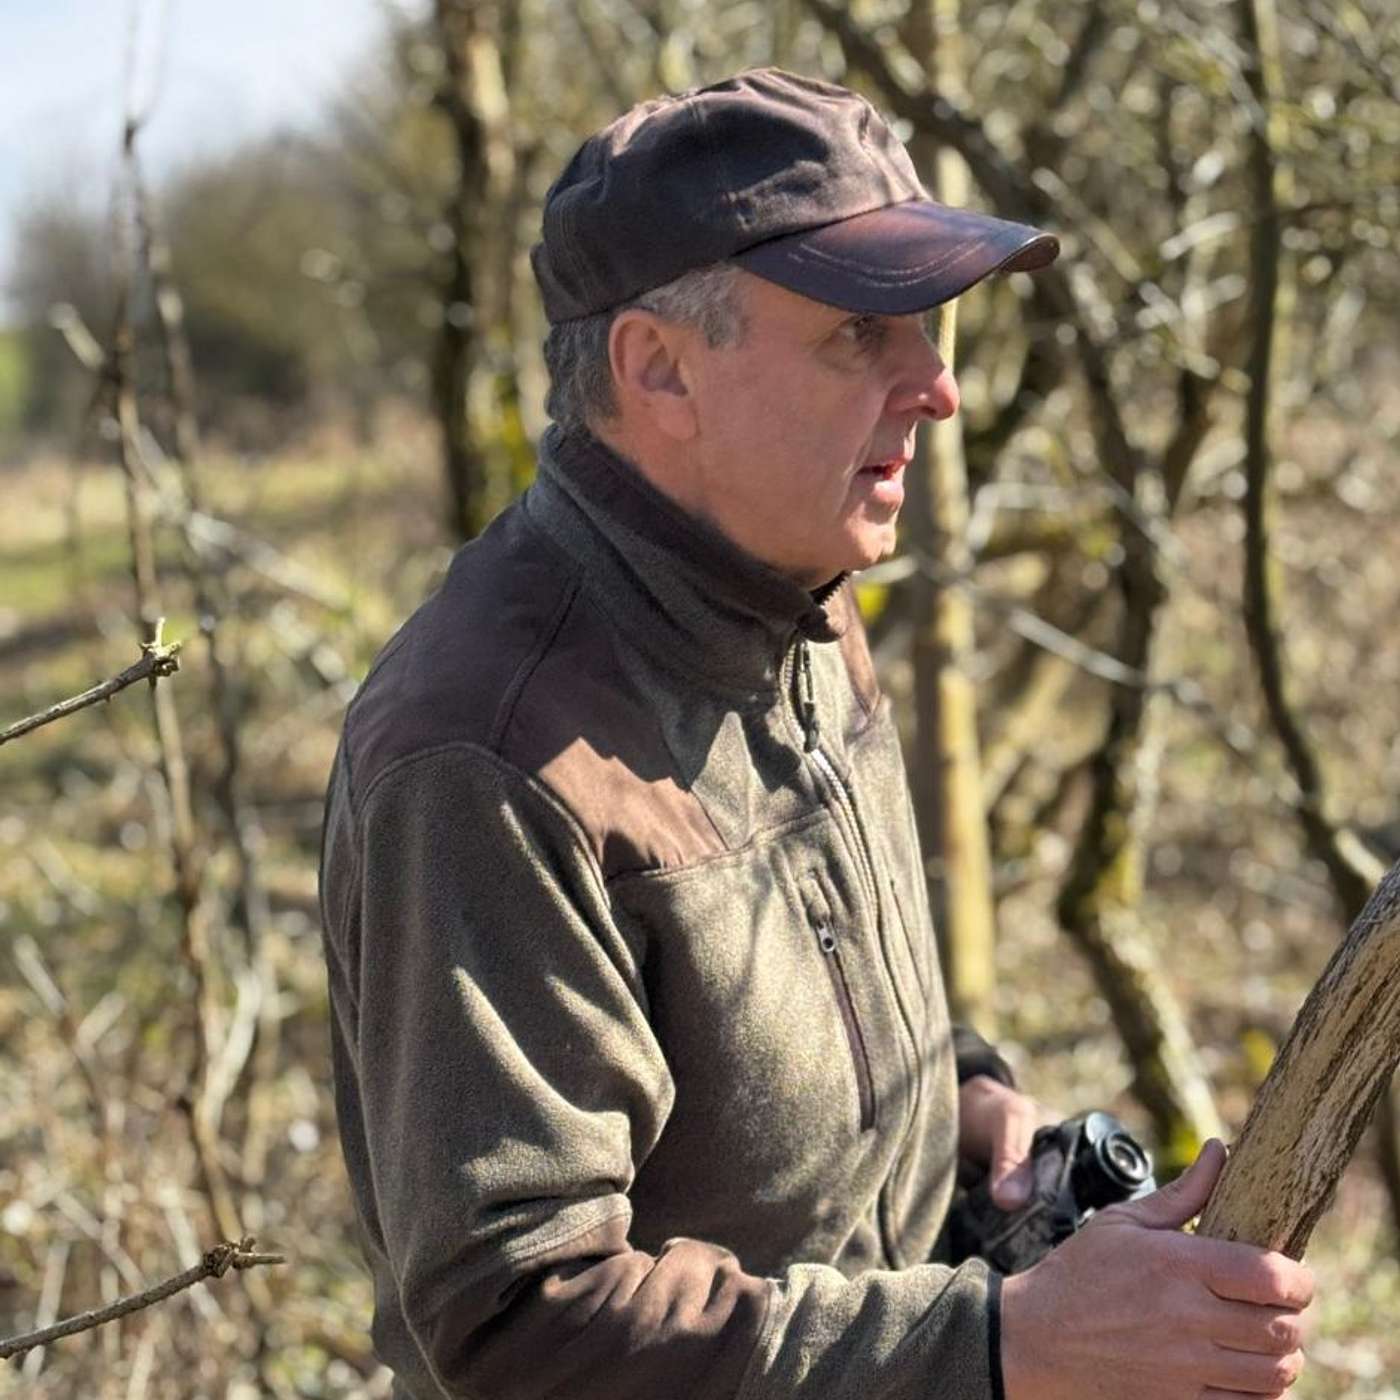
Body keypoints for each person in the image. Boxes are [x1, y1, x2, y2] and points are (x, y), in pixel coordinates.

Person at [319, 67, 1313, 1400]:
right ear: (659, 368)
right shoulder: (488, 760)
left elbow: (829, 983)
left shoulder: (797, 594)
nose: (936, 390)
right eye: (861, 333)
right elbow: (522, 1326)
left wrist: (959, 1105)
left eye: (933, 327)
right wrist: (1010, 1346)